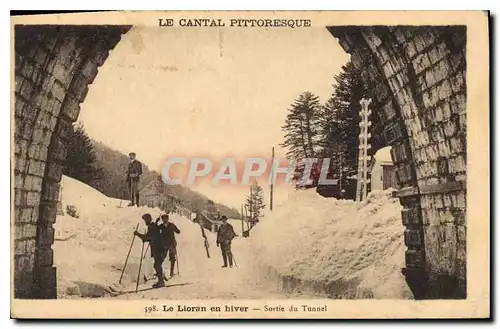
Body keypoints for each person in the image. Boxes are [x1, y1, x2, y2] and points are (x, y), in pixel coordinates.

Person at [134, 213, 165, 288]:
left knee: (157, 265)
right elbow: (147, 238)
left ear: (148, 219)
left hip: (159, 249)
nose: (145, 222)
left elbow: (147, 238)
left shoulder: (152, 227)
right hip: (158, 249)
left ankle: (161, 281)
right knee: (157, 265)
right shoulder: (152, 226)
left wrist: (138, 234)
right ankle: (161, 279)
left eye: (145, 220)